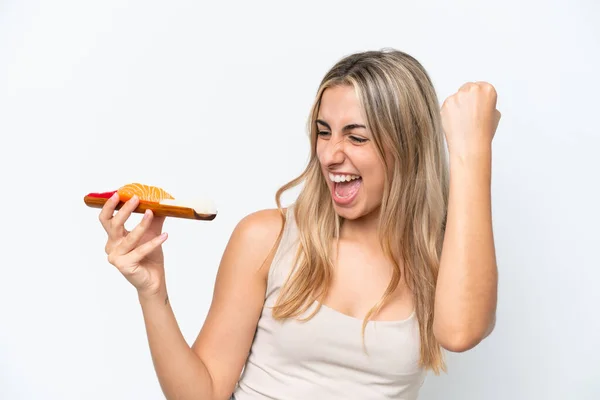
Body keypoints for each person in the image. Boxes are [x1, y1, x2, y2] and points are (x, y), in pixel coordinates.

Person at [99, 48, 501, 400]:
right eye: (323, 133)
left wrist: (471, 147)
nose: (329, 155)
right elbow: (203, 393)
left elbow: (461, 333)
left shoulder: (440, 257)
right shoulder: (266, 238)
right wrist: (153, 291)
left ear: (407, 147)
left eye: (356, 137)